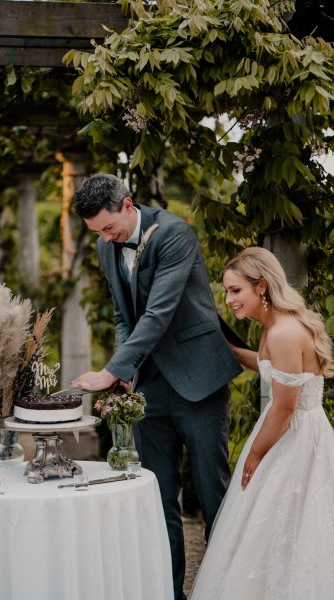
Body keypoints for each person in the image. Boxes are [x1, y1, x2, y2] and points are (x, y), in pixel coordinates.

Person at [71, 173, 242, 600]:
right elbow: (123, 316)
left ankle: (226, 589)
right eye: (97, 233)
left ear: (128, 204)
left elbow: (159, 313)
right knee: (157, 498)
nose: (107, 239)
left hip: (199, 380)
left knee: (212, 493)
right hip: (148, 387)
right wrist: (126, 370)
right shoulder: (105, 245)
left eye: (109, 228)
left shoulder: (174, 233)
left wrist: (109, 372)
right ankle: (169, 593)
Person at [190, 246, 334, 600]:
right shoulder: (276, 327)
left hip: (295, 437)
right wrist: (222, 343)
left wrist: (254, 455)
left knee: (289, 525)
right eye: (226, 291)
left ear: (262, 286)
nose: (229, 300)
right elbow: (270, 366)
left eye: (235, 290)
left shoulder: (284, 332)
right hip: (284, 430)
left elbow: (284, 407)